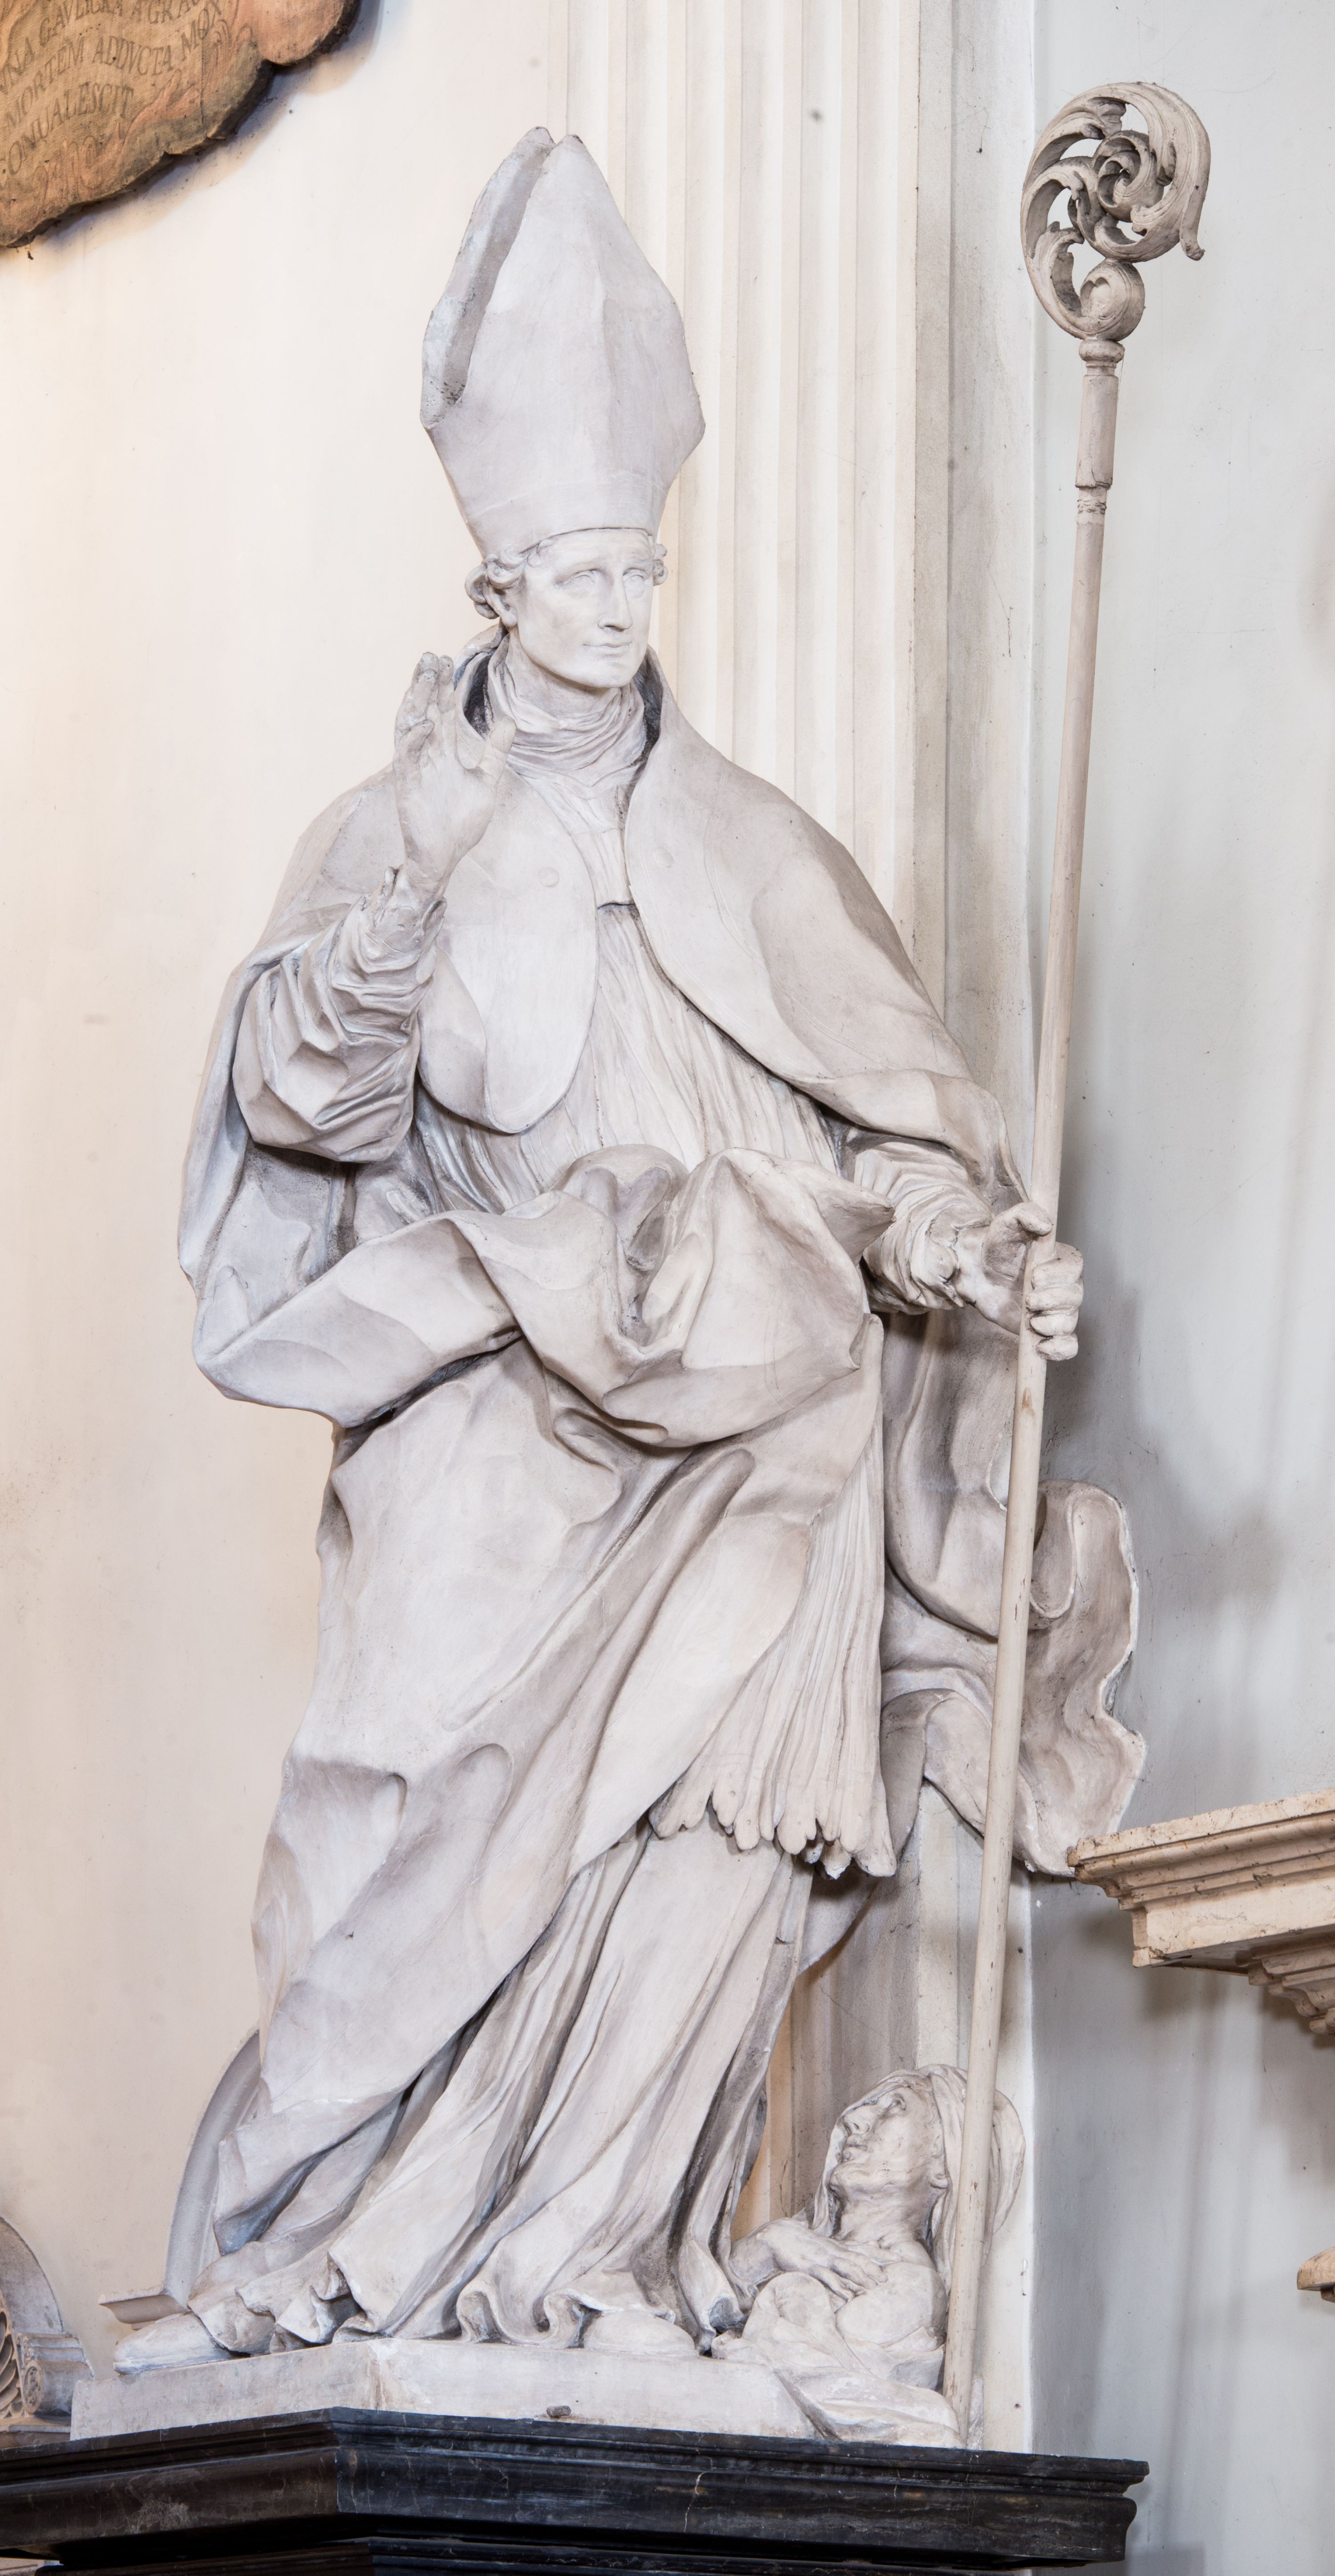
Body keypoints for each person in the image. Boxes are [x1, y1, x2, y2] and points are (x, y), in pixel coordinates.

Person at [121, 130, 1138, 2377]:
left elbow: (873, 1143)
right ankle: (347, 2239)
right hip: (495, 1431)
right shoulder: (390, 830)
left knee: (702, 1835)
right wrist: (410, 886)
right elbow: (311, 1118)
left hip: (762, 1436)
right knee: (406, 1830)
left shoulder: (757, 850)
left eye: (634, 563)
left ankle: (583, 2256)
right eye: (574, 568)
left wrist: (971, 1247)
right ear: (496, 582)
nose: (611, 601)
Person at [722, 2067, 1023, 2442]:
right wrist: (770, 2243)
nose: (856, 2118)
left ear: (944, 2165)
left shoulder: (909, 2284)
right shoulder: (793, 2243)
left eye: (895, 2106)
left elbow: (826, 2392)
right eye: (868, 2106)